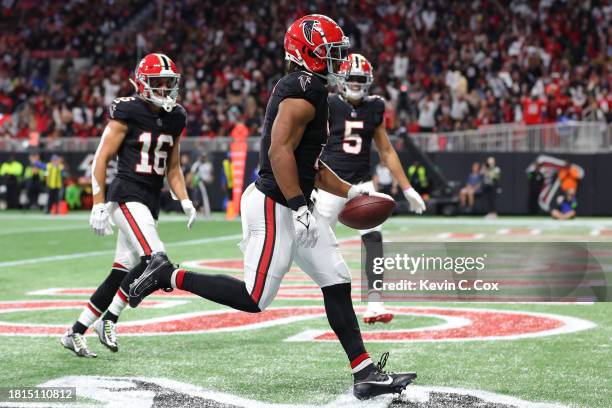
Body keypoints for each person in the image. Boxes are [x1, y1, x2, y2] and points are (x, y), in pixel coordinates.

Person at [128, 16, 416, 400]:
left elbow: (310, 164)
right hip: (273, 203)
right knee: (255, 298)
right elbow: (278, 152)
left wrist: (349, 192)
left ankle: (363, 372)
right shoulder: (303, 89)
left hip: (295, 201)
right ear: (309, 54)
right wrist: (298, 205)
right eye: (331, 53)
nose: (338, 61)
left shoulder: (314, 90)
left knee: (337, 278)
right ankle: (169, 275)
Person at [61, 53, 196, 358]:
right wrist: (98, 203)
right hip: (126, 195)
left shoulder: (176, 117)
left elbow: (172, 166)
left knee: (121, 271)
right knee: (156, 260)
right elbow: (101, 157)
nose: (165, 89)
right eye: (158, 83)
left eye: (169, 83)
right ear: (141, 84)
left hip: (150, 200)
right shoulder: (128, 111)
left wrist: (185, 199)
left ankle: (76, 331)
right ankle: (109, 318)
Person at [316, 53, 426, 324]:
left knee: (374, 241)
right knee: (312, 241)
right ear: (341, 79)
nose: (355, 83)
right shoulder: (328, 103)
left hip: (362, 184)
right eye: (351, 78)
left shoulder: (374, 107)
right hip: (332, 185)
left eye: (360, 79)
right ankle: (330, 296)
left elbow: (386, 150)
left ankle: (375, 303)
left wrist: (407, 187)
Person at [191, 153, 214, 217]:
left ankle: (205, 211)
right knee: (197, 198)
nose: (202, 158)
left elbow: (211, 174)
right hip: (199, 183)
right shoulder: (196, 165)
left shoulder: (208, 165)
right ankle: (196, 211)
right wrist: (193, 182)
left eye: (204, 157)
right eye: (201, 157)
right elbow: (193, 174)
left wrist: (211, 179)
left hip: (207, 183)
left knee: (207, 198)